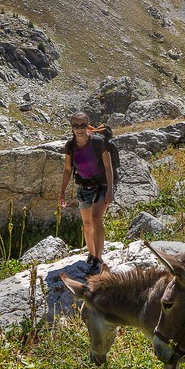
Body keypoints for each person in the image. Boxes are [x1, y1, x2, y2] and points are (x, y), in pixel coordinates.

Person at [58, 111, 114, 271]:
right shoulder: (70, 145)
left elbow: (108, 167)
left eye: (83, 125)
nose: (79, 129)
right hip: (83, 188)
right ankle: (91, 254)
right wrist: (62, 192)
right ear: (71, 127)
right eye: (76, 125)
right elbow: (68, 169)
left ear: (88, 126)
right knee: (87, 223)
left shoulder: (98, 142)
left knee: (96, 219)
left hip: (101, 185)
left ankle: (98, 257)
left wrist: (110, 188)